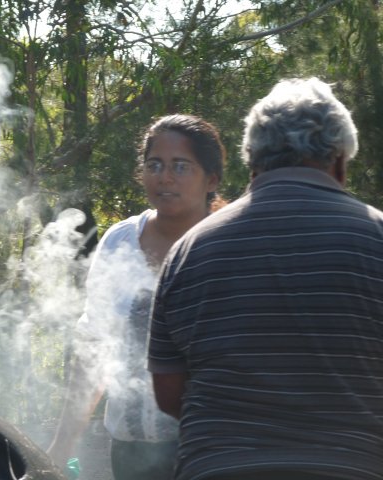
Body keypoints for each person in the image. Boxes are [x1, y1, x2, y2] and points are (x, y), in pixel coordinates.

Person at [148, 77, 383, 480]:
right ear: (341, 161)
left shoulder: (189, 250)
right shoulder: (376, 237)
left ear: (252, 160)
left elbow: (169, 393)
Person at [47, 114, 226, 480]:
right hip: (131, 449)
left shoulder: (229, 246)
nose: (165, 176)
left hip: (211, 449)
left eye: (180, 166)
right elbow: (93, 348)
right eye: (154, 165)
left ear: (211, 179)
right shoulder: (120, 241)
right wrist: (61, 447)